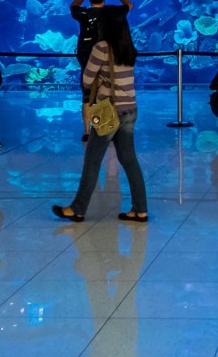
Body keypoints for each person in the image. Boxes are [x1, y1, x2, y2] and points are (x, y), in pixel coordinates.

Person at [53, 20, 148, 223]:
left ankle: (77, 209)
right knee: (130, 160)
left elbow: (87, 80)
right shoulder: (129, 48)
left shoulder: (101, 47)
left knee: (92, 160)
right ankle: (140, 209)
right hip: (130, 108)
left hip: (109, 110)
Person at [70, 0, 133, 142]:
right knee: (107, 92)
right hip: (106, 56)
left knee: (87, 96)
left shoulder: (84, 13)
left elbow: (73, 5)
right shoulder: (111, 12)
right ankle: (107, 128)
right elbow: (129, 5)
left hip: (86, 55)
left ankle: (87, 131)